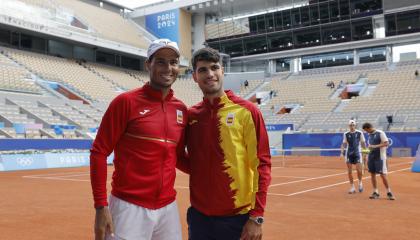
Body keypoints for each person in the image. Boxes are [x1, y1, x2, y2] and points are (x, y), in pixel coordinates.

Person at [90, 39, 187, 240]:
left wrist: (214, 168)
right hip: (128, 207)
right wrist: (101, 206)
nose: (168, 68)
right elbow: (99, 152)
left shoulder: (181, 109)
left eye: (173, 62)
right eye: (160, 61)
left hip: (168, 208)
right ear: (148, 64)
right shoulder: (125, 102)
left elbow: (177, 156)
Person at [178, 47, 272, 240]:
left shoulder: (246, 111)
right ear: (194, 76)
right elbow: (178, 156)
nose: (210, 74)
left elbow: (262, 165)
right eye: (203, 70)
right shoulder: (192, 115)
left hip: (238, 218)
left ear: (222, 71)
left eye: (214, 68)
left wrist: (257, 216)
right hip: (199, 218)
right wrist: (201, 170)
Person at [362, 122, 396, 200]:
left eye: (366, 130)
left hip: (380, 158)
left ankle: (389, 192)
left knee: (383, 175)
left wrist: (375, 146)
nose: (366, 132)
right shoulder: (369, 135)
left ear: (369, 128)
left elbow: (386, 143)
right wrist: (365, 154)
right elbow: (370, 148)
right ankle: (375, 192)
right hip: (371, 157)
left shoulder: (381, 133)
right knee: (372, 174)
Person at [341, 120, 366, 194]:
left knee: (359, 170)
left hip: (357, 153)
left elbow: (363, 143)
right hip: (349, 154)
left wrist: (365, 154)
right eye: (350, 125)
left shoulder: (360, 133)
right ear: (349, 126)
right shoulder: (346, 134)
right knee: (349, 171)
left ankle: (360, 183)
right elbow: (344, 144)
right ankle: (352, 187)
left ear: (355, 126)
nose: (352, 127)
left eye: (353, 125)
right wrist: (342, 152)